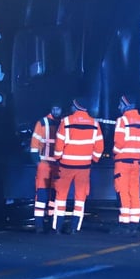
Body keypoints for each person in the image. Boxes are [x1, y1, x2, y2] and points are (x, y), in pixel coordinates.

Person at [53, 98, 104, 234]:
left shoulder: (66, 122)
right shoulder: (94, 124)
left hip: (66, 166)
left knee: (61, 196)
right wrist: (93, 159)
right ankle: (75, 227)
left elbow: (59, 143)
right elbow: (99, 146)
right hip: (84, 167)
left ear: (76, 106)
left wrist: (58, 157)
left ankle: (57, 227)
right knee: (80, 197)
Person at [111, 94, 140, 234]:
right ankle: (134, 223)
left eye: (120, 104)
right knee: (134, 192)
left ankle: (124, 224)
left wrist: (114, 153)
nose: (118, 107)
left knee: (122, 192)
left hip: (122, 162)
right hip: (136, 163)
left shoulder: (122, 121)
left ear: (125, 105)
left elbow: (119, 143)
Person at [29, 103, 63, 233]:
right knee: (42, 194)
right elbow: (34, 144)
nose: (56, 111)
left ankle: (50, 220)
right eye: (54, 108)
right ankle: (39, 224)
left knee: (54, 195)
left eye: (58, 108)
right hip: (44, 164)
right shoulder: (42, 122)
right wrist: (37, 162)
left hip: (57, 164)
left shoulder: (63, 122)